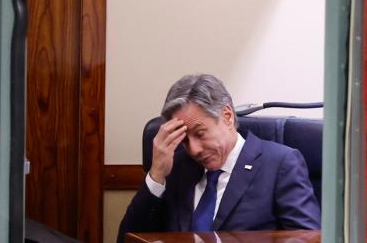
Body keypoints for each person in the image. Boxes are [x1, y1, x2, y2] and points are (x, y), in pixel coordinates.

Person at [117, 74, 320, 241]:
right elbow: (128, 239)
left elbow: (308, 239)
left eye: (200, 133)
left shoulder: (279, 164)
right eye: (184, 140)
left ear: (227, 117)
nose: (194, 150)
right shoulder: (177, 168)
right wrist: (157, 174)